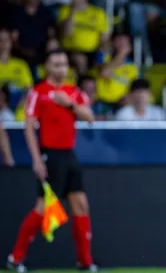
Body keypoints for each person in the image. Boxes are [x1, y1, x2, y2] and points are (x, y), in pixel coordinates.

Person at [7, 49, 97, 272]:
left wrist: (69, 104)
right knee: (42, 209)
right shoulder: (38, 92)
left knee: (80, 205)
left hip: (69, 155)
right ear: (47, 67)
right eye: (56, 64)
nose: (61, 68)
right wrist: (37, 160)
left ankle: (85, 263)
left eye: (64, 64)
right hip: (51, 154)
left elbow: (89, 117)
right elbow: (28, 129)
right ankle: (14, 259)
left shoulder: (73, 92)